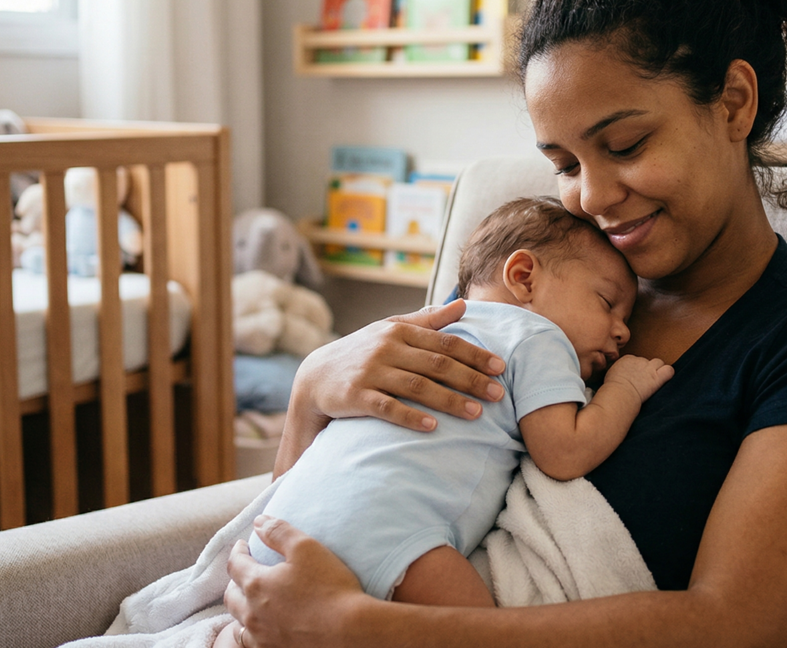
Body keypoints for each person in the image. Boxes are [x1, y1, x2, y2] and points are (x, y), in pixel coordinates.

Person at [224, 0, 787, 646]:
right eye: (562, 162)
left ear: (735, 103)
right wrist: (310, 391)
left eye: (624, 146)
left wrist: (356, 626)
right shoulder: (547, 289)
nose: (590, 197)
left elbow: (739, 626)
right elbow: (322, 508)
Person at [224, 197, 670, 632]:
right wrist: (624, 389)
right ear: (524, 278)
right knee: (477, 629)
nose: (623, 331)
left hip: (286, 529)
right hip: (391, 532)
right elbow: (564, 452)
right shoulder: (536, 334)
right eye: (607, 302)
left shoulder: (422, 330)